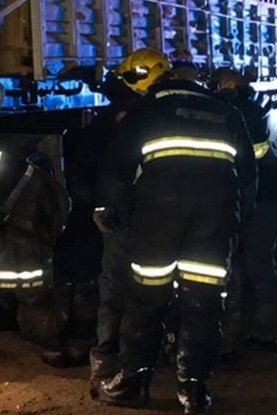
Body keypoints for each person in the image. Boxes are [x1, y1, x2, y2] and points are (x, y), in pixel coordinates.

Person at [95, 60, 257, 414]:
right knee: (203, 302)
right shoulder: (226, 112)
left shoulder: (148, 110)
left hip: (157, 218)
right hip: (214, 218)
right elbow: (247, 173)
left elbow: (118, 165)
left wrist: (105, 209)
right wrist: (236, 218)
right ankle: (194, 390)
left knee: (145, 299)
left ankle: (134, 382)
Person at [86, 49, 163, 392]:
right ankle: (143, 357)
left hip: (129, 215)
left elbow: (112, 166)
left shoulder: (126, 115)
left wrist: (104, 206)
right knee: (150, 288)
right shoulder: (162, 113)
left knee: (117, 286)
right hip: (153, 215)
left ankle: (108, 363)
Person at [211, 68, 277, 359]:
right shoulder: (250, 107)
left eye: (214, 86)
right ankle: (257, 327)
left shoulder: (240, 112)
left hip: (265, 193)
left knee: (256, 261)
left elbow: (242, 160)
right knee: (261, 259)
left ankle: (263, 333)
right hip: (271, 188)